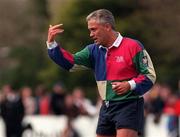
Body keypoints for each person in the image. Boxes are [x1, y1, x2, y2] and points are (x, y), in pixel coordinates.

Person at [46, 9, 156, 137]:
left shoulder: (133, 46)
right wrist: (52, 44)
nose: (91, 34)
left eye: (93, 29)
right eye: (90, 30)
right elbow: (70, 63)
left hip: (129, 104)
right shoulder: (92, 50)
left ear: (107, 27)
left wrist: (130, 84)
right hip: (106, 106)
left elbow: (149, 75)